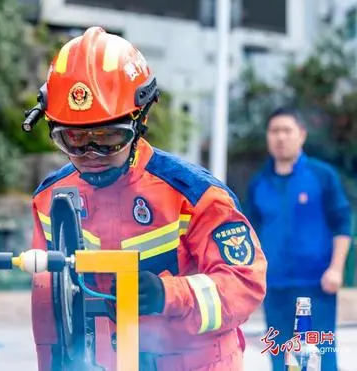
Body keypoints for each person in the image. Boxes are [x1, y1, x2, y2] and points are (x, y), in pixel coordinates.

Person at [27, 27, 267, 371]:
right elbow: (50, 304)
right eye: (72, 139)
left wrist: (167, 295)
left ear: (141, 120)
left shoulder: (194, 196)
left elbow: (245, 283)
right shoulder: (50, 200)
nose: (91, 153)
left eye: (109, 137)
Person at [246, 107, 352, 371]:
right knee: (281, 358)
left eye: (287, 130)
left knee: (321, 358)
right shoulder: (259, 183)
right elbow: (250, 236)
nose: (280, 137)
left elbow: (342, 223)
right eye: (274, 131)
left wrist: (336, 269)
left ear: (301, 135)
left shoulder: (322, 176)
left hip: (317, 286)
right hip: (276, 287)